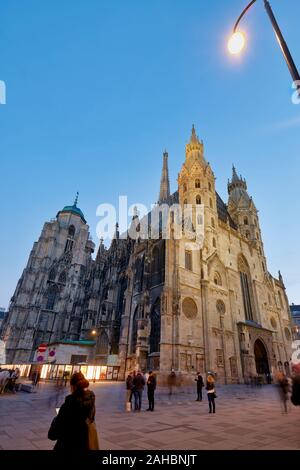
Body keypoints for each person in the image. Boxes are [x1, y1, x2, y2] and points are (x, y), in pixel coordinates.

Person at [48, 371, 99, 450]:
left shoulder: (69, 405)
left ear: (72, 386)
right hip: (85, 444)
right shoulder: (90, 402)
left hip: (67, 445)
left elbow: (52, 434)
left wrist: (56, 418)